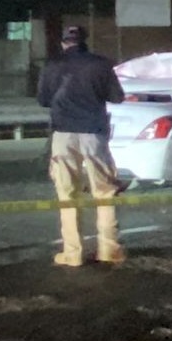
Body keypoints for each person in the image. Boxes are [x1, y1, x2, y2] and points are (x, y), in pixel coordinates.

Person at [36, 25, 126, 266]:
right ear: (85, 41)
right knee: (105, 192)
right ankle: (109, 251)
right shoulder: (101, 64)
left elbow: (43, 100)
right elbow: (118, 97)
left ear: (64, 42)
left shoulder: (52, 65)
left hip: (63, 135)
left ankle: (73, 253)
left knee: (67, 194)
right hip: (94, 135)